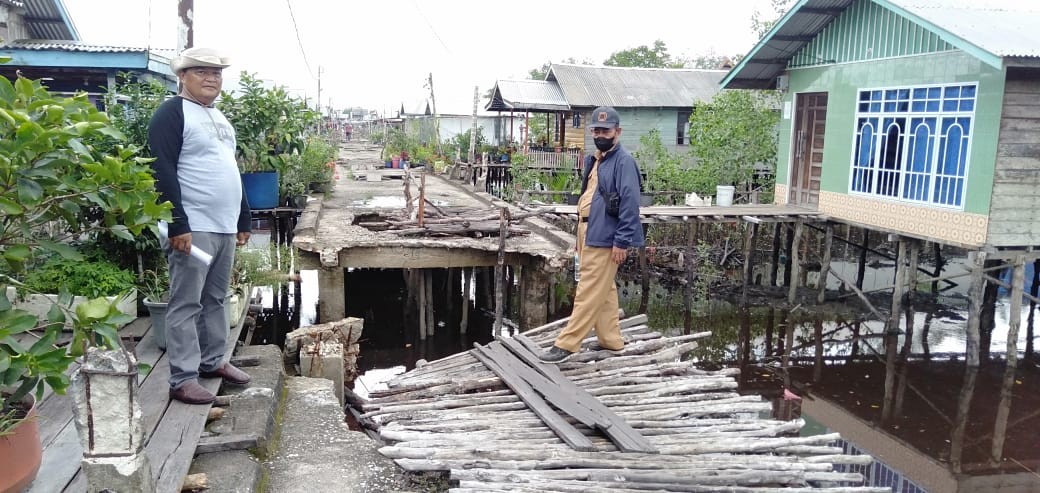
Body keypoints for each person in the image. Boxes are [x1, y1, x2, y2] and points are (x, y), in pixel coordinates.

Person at [149, 47, 252, 405]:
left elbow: (230, 170)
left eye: (216, 73)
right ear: (182, 76)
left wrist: (243, 216)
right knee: (186, 302)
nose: (211, 78)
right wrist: (177, 223)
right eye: (201, 72)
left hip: (223, 226)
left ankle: (212, 362)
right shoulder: (171, 113)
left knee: (216, 298)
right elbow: (160, 169)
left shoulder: (220, 118)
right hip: (193, 226)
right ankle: (182, 378)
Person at [540, 106, 644, 363]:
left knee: (588, 289)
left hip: (606, 235)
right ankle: (611, 340)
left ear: (617, 132)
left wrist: (622, 240)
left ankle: (567, 344)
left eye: (605, 130)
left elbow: (630, 204)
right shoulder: (597, 159)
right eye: (596, 130)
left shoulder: (623, 162)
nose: (600, 134)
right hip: (588, 229)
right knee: (604, 288)